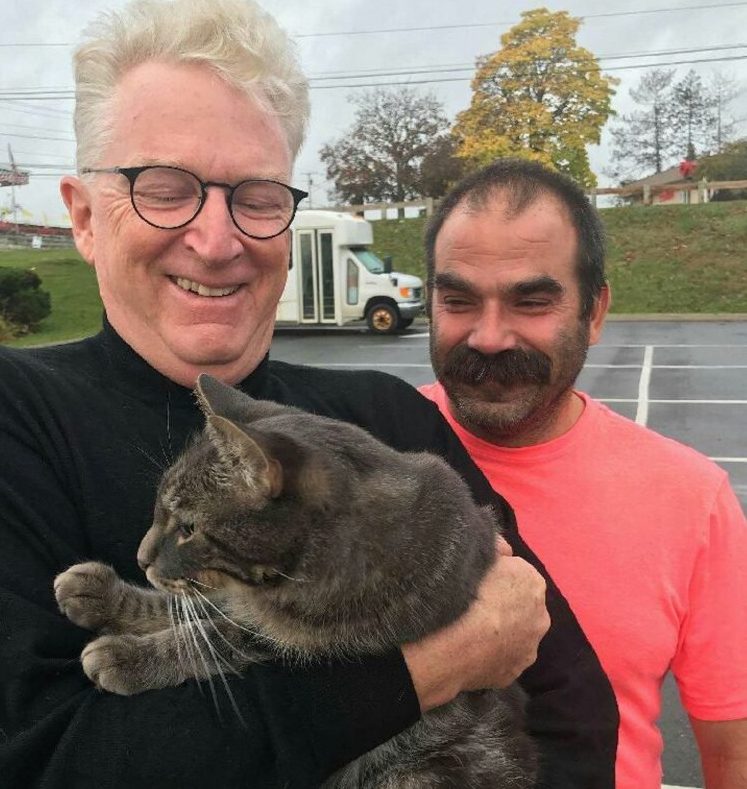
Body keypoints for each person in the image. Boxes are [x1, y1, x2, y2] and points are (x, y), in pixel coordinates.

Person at [0, 3, 619, 788]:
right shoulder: (20, 418)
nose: (218, 240)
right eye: (162, 188)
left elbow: (569, 705)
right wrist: (427, 665)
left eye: (256, 197)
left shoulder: (388, 419)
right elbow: (51, 759)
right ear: (84, 217)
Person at [419, 157, 747, 789]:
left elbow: (733, 754)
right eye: (459, 300)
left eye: (531, 301)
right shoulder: (371, 447)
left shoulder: (691, 500)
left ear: (594, 313)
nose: (488, 337)